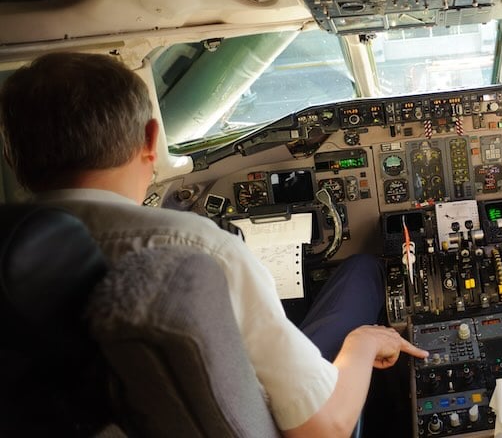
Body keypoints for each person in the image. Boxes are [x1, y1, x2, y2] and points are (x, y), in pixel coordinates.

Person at [0, 52, 428, 438]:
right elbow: (326, 429)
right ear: (151, 140)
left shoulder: (12, 258)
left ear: (13, 158)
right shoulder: (194, 249)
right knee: (362, 270)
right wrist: (365, 343)